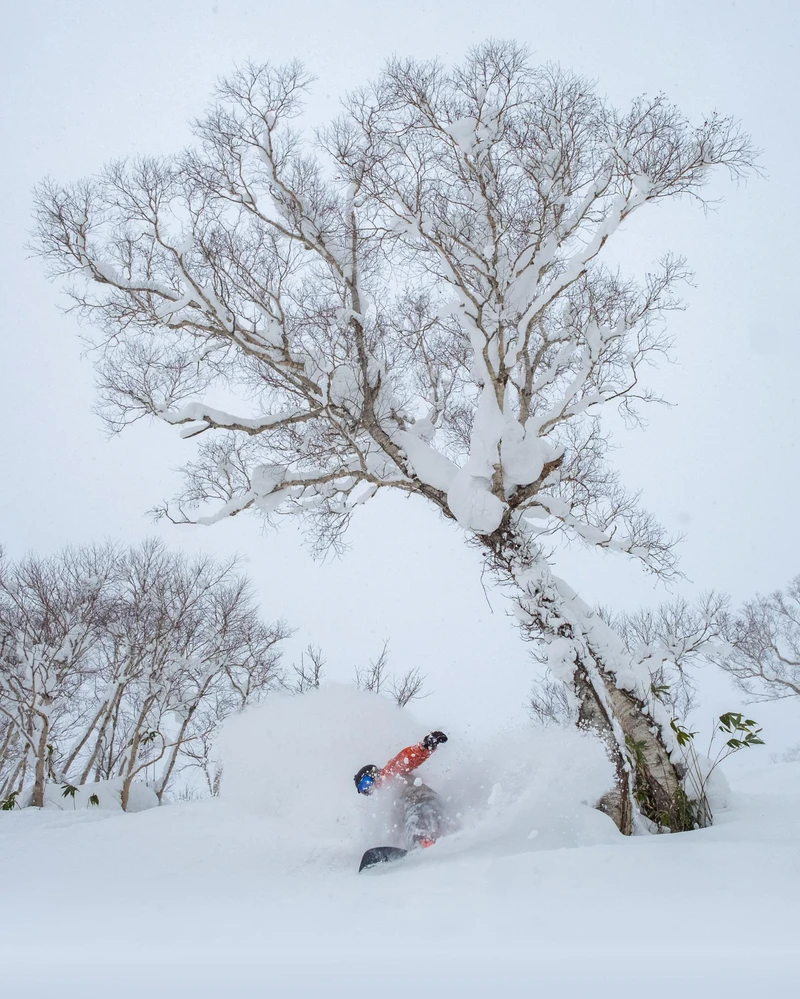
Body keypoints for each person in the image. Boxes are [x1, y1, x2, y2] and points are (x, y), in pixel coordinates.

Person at [353, 731, 448, 849]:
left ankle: (424, 845)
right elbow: (396, 826)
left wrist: (426, 745)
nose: (369, 789)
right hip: (432, 804)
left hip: (419, 803)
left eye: (366, 783)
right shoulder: (386, 804)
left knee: (415, 831)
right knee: (439, 829)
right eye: (364, 790)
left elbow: (407, 758)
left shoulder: (388, 775)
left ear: (374, 774)